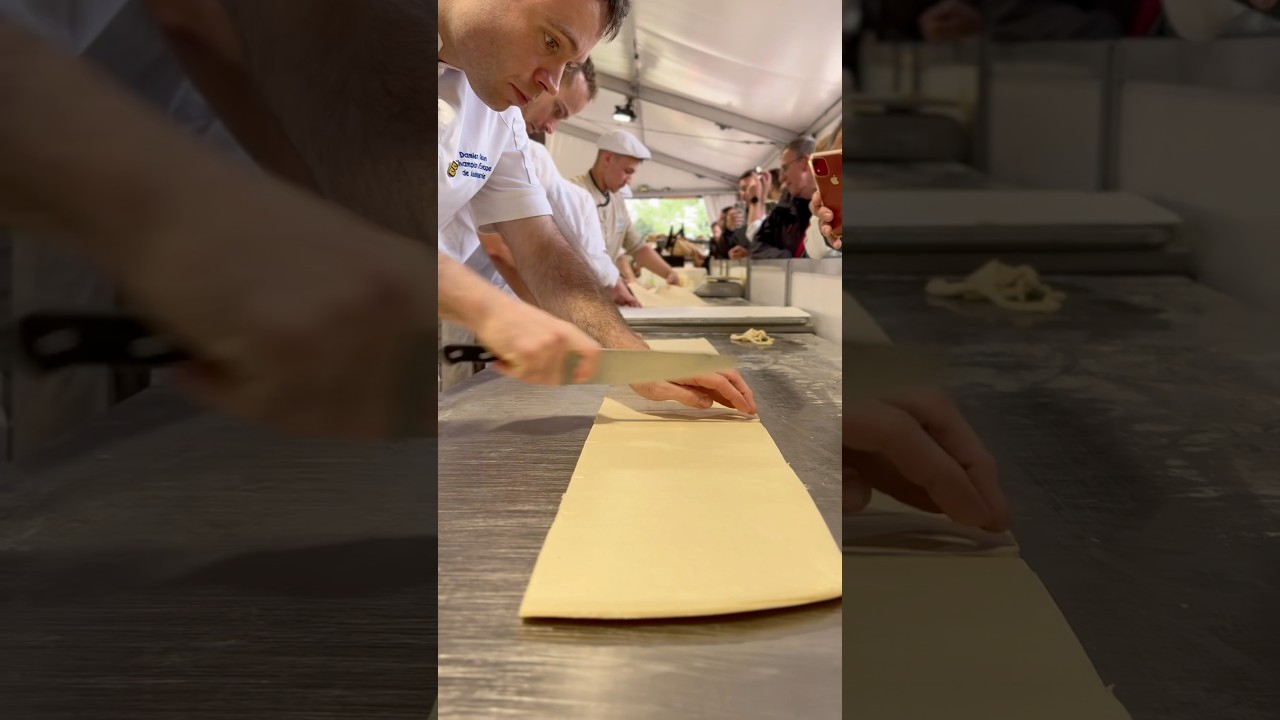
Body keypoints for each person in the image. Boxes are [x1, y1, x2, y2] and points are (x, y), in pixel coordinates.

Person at [438, 0, 755, 413]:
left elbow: (541, 249)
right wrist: (495, 313)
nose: (551, 84)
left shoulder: (497, 110)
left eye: (568, 64)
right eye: (550, 40)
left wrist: (631, 354)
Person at [571, 131, 683, 287]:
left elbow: (637, 247)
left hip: (602, 292)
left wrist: (669, 273)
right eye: (627, 171)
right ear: (608, 159)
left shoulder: (617, 199)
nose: (629, 181)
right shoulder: (575, 192)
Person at [729, 136, 819, 260]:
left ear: (804, 163)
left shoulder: (833, 205)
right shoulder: (785, 207)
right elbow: (756, 244)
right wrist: (789, 261)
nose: (781, 178)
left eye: (785, 168)